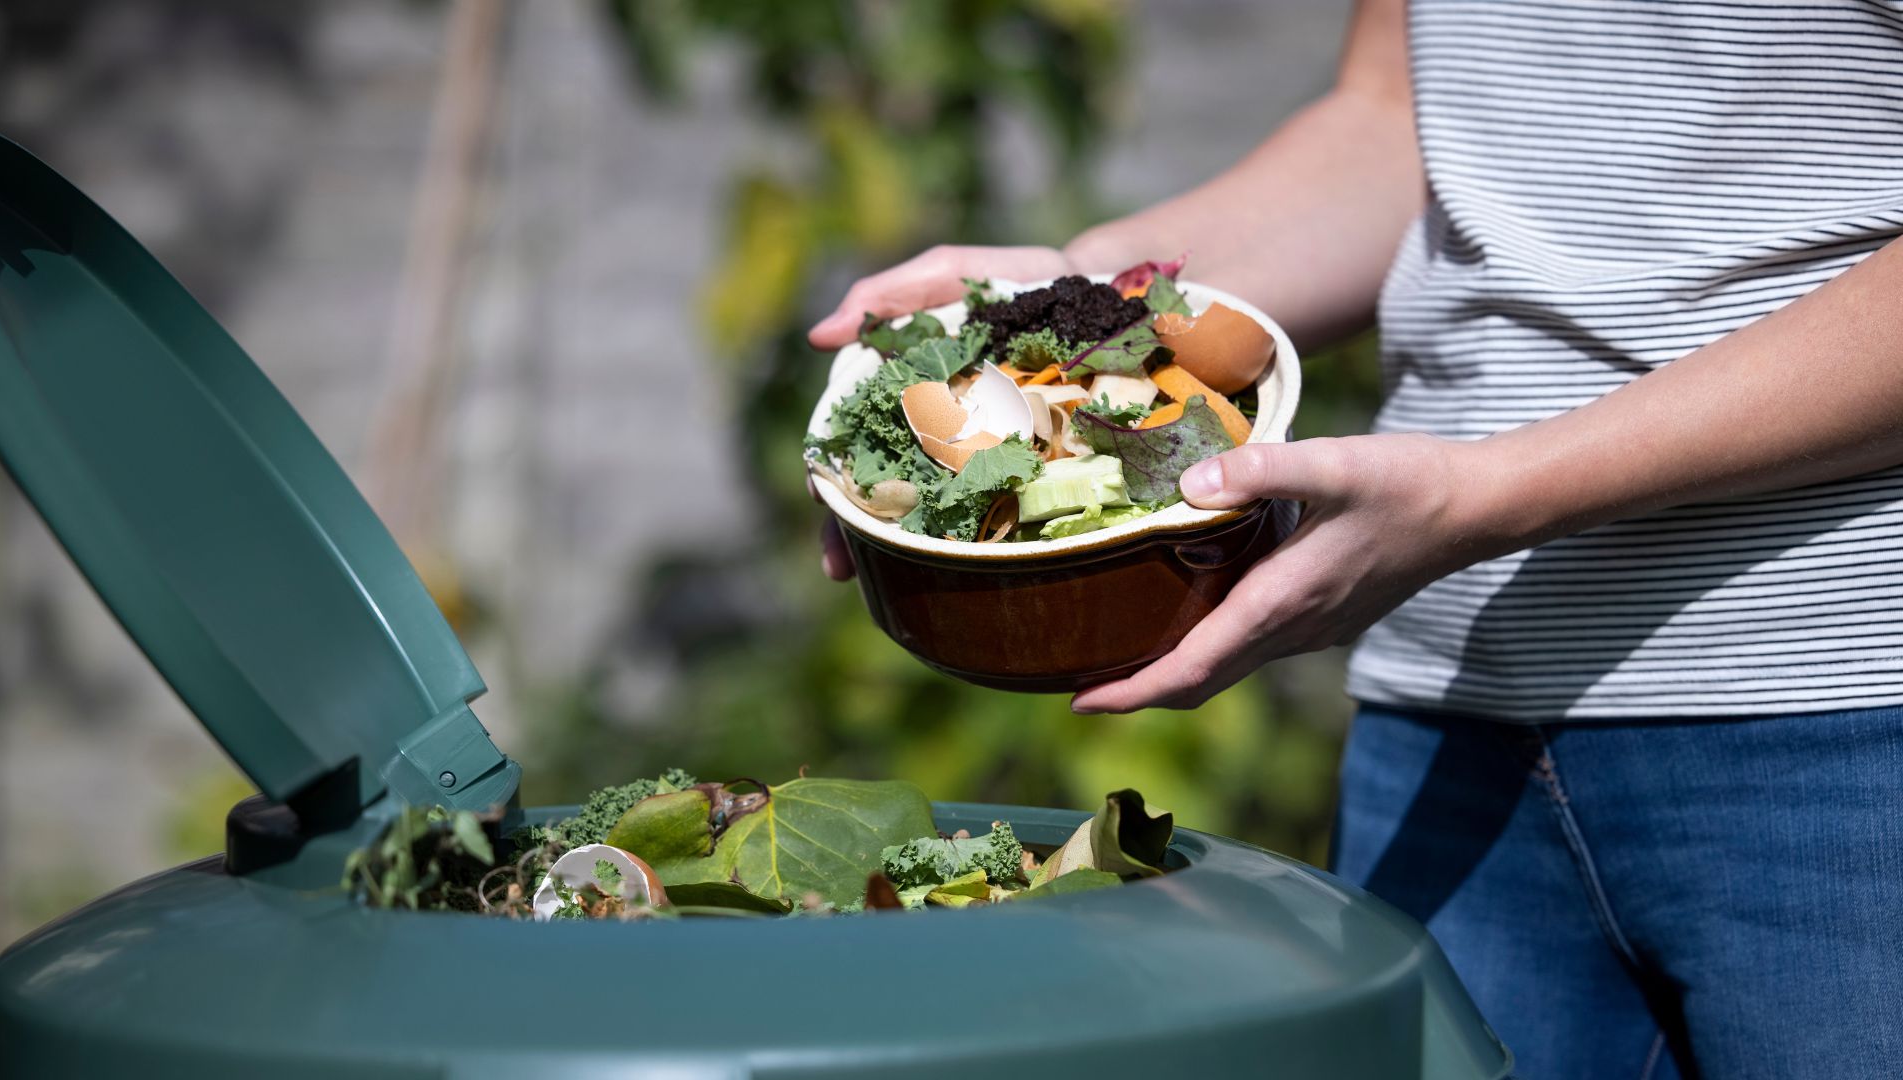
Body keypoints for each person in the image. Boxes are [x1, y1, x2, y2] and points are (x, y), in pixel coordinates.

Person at [806, 1, 1903, 1077]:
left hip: (1838, 723)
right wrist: (1070, 302)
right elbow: (1399, 117)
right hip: (1449, 719)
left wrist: (1495, 491)